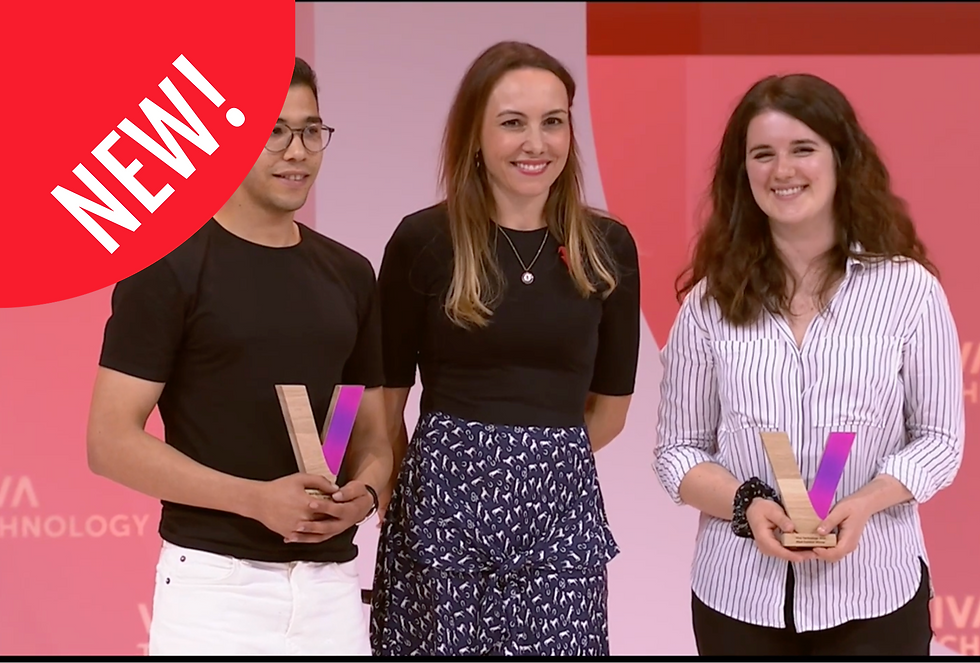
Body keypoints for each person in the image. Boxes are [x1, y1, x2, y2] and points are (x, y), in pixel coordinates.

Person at [85, 57, 391, 656]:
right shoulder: (168, 267)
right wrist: (254, 500)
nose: (296, 151)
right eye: (273, 131)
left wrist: (368, 491)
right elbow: (109, 441)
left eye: (310, 131)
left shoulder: (351, 275)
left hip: (332, 589)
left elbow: (367, 429)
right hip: (214, 589)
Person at [653, 72, 965, 656]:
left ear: (840, 160)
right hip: (738, 596)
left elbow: (940, 441)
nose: (782, 170)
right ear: (743, 173)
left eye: (803, 149)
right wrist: (749, 507)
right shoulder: (707, 303)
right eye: (762, 154)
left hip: (876, 592)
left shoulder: (909, 290)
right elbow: (678, 452)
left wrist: (865, 503)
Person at [368, 41, 641, 656]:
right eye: (513, 123)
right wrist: (419, 482)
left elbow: (612, 408)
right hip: (442, 501)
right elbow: (385, 396)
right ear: (474, 135)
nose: (535, 143)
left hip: (561, 508)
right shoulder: (424, 240)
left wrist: (535, 458)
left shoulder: (610, 247)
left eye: (553, 122)